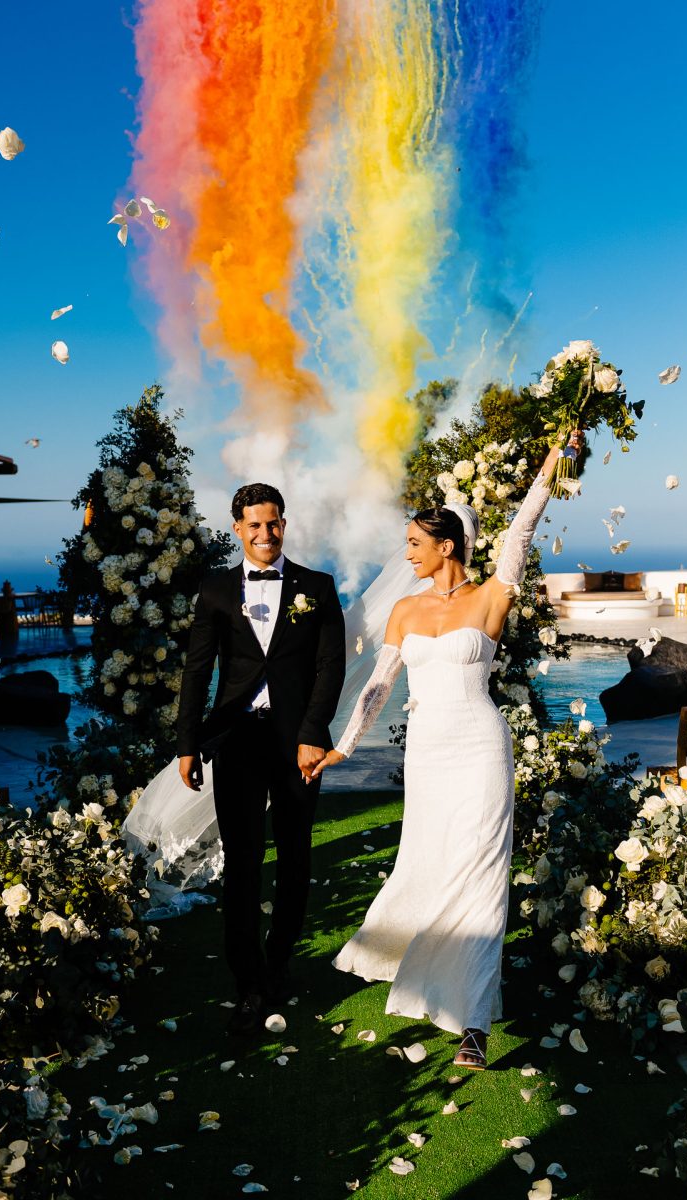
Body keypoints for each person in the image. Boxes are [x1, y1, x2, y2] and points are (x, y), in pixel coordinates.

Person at [312, 433, 585, 1069]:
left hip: (482, 747)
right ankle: (428, 977)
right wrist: (343, 747)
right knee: (432, 865)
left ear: (447, 546)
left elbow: (521, 528)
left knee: (482, 873)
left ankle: (475, 1024)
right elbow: (378, 690)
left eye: (414, 542)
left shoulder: (492, 596)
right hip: (430, 756)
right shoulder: (404, 612)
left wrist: (552, 459)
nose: (406, 552)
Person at [173, 483, 346, 1034]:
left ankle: (277, 965)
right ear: (237, 529)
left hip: (298, 742)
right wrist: (188, 743)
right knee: (243, 864)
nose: (265, 534)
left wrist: (313, 734)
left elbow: (330, 668)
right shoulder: (216, 590)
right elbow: (198, 670)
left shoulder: (316, 587)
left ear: (284, 524)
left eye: (272, 524)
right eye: (254, 525)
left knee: (295, 858)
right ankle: (248, 983)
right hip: (238, 740)